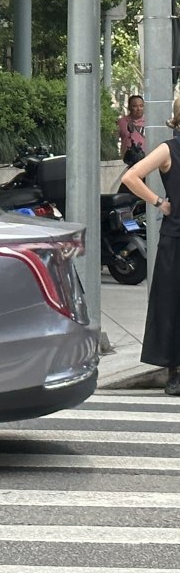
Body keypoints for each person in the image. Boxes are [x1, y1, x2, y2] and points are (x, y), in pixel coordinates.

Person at [121, 95, 180, 396]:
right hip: (175, 238)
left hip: (174, 235)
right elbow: (130, 176)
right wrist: (158, 202)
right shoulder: (169, 149)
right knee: (171, 305)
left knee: (172, 304)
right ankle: (175, 373)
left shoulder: (168, 149)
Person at [120, 94, 147, 166]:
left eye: (141, 106)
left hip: (146, 161)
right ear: (129, 107)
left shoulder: (149, 122)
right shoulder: (121, 122)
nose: (139, 109)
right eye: (135, 106)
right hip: (127, 162)